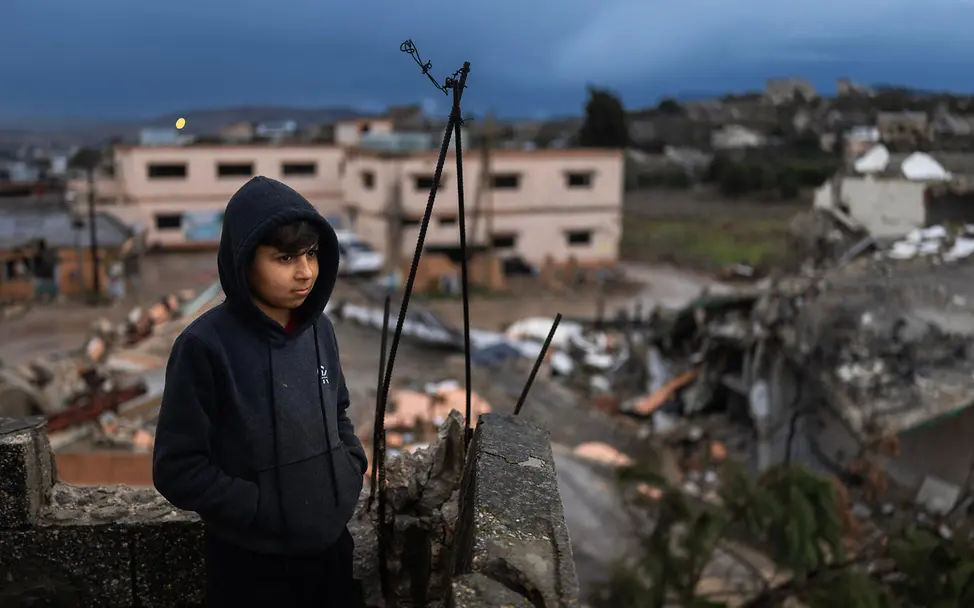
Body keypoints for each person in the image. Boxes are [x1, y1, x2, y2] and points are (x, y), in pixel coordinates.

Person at [152, 176, 368, 607]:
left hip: (331, 553)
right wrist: (259, 507)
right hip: (252, 568)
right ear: (244, 259)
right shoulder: (204, 346)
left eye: (311, 253)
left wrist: (349, 468)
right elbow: (177, 467)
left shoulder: (319, 329)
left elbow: (338, 411)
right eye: (285, 257)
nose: (305, 271)